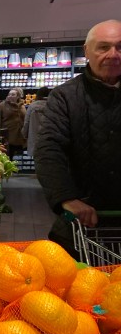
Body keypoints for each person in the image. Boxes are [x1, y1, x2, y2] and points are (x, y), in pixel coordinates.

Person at [35, 19, 121, 250]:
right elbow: (49, 149)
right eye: (103, 47)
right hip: (81, 227)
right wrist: (66, 198)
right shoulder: (65, 97)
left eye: (120, 47)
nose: (113, 54)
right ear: (87, 51)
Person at [0, 87, 26, 158]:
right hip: (8, 137)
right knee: (8, 156)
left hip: (20, 137)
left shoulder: (22, 106)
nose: (10, 96)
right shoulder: (1, 106)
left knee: (19, 159)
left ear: (18, 96)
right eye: (9, 94)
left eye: (13, 95)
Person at [21, 86, 50, 157]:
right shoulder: (53, 105)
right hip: (49, 140)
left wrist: (24, 134)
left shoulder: (32, 106)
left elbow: (26, 122)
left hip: (34, 139)